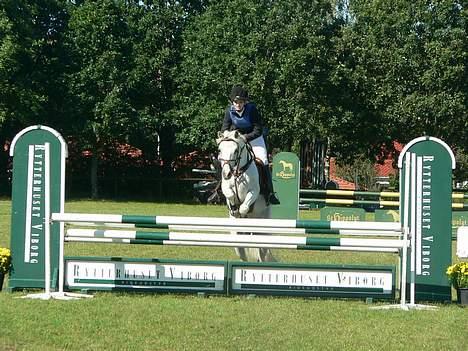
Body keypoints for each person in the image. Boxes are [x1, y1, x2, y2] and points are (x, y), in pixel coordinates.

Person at [220, 85, 280, 205]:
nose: (238, 104)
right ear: (232, 102)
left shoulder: (252, 110)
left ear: (245, 102)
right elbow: (224, 129)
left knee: (263, 161)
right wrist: (227, 136)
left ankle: (270, 192)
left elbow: (258, 130)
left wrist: (245, 138)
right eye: (236, 102)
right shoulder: (229, 111)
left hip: (254, 139)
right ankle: (218, 188)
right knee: (224, 158)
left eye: (241, 102)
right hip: (237, 140)